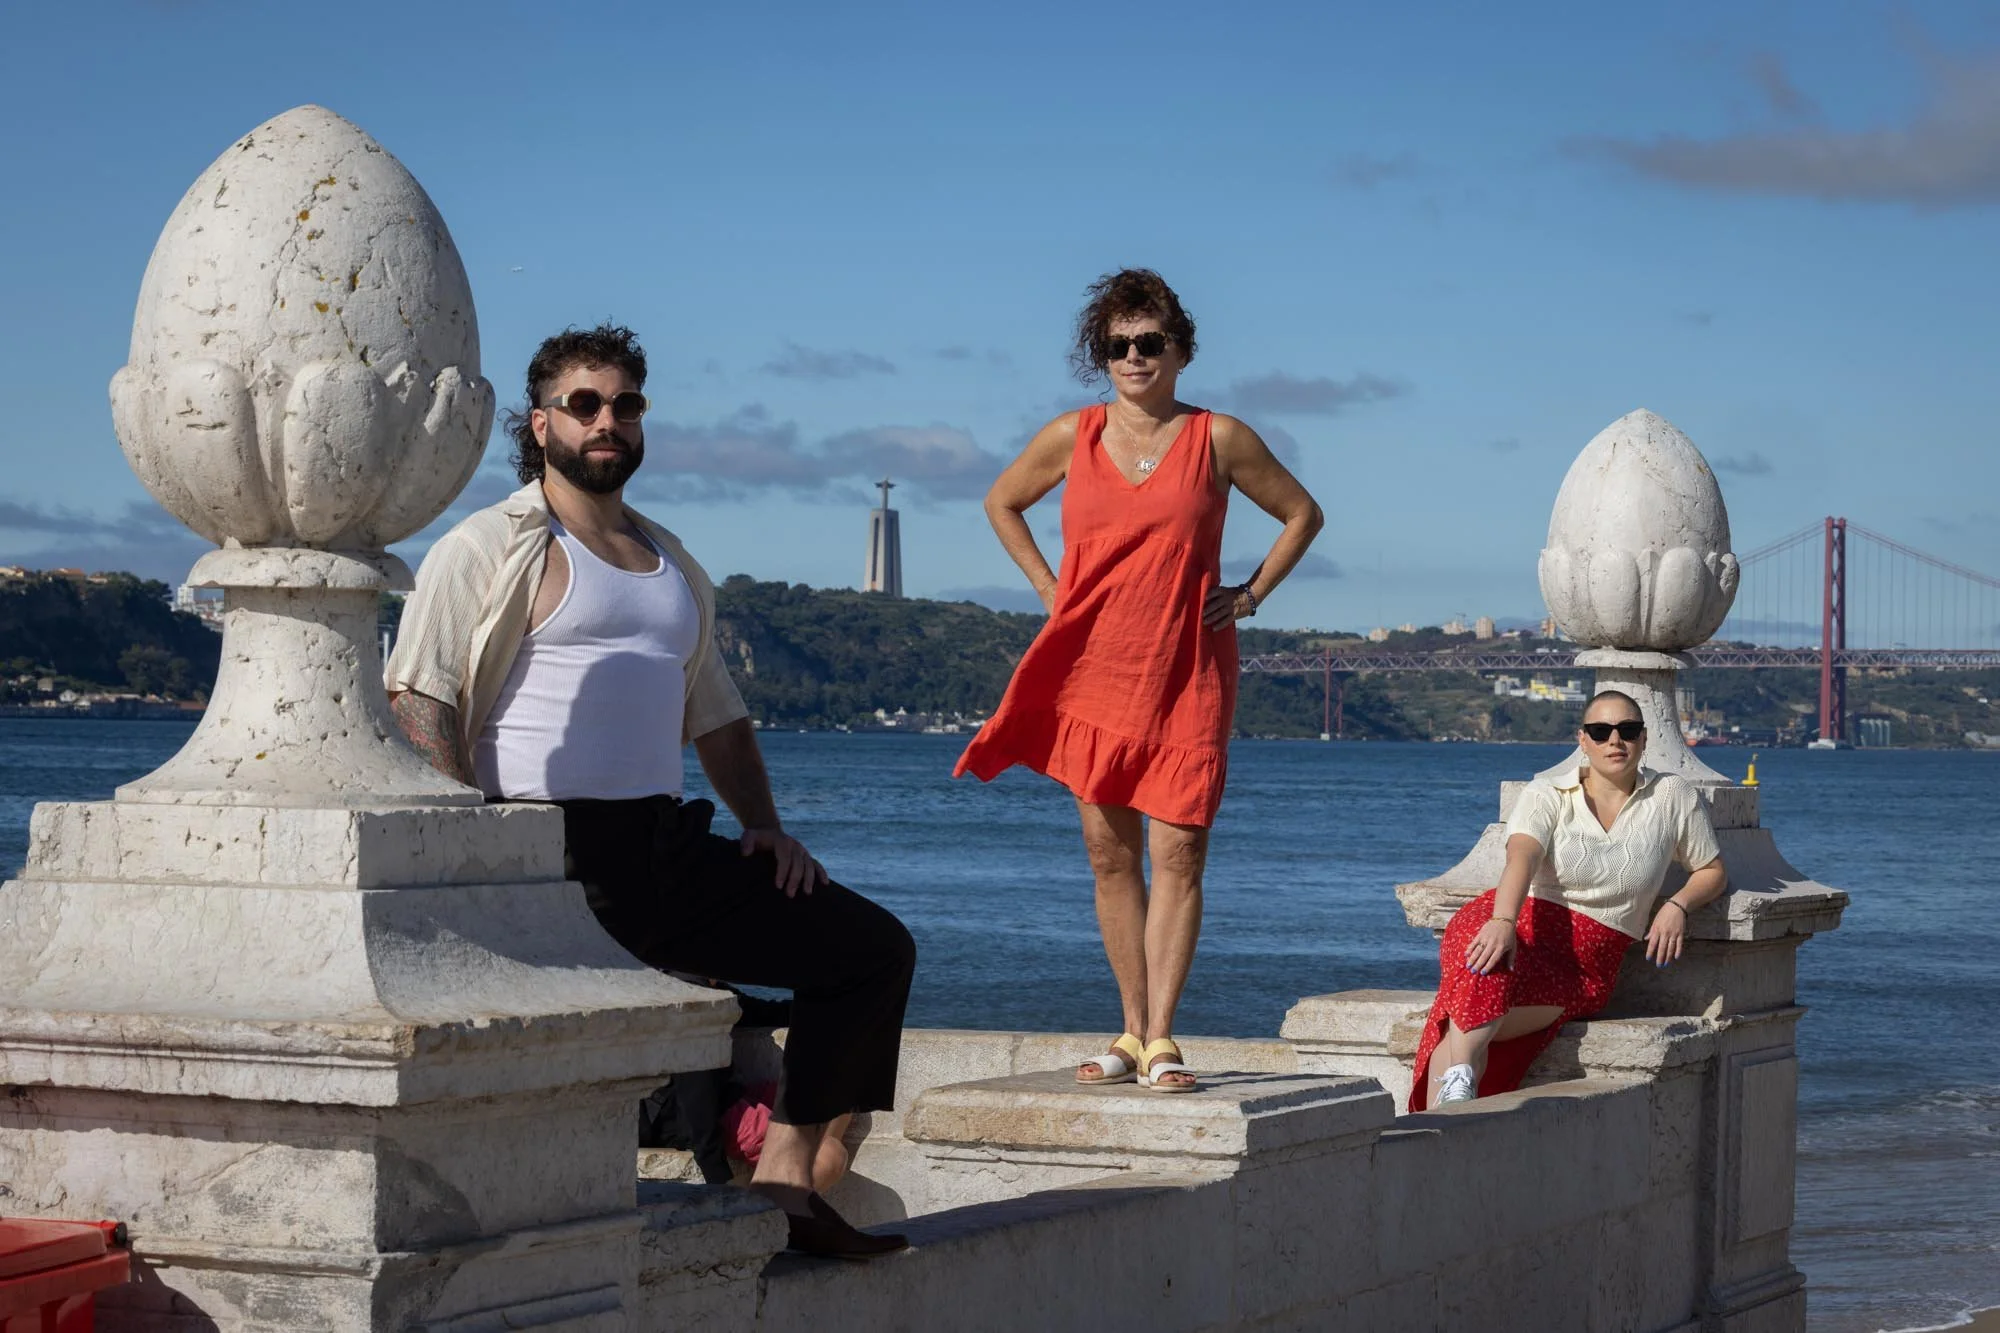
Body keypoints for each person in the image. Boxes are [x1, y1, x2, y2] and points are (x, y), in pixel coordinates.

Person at [386, 323, 914, 1259]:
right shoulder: (487, 546)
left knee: (868, 949)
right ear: (540, 421)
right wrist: (465, 855)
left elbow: (718, 715)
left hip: (661, 847)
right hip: (540, 852)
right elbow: (419, 696)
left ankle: (787, 1187)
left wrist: (768, 829)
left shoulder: (671, 562)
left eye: (626, 404)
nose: (607, 420)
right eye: (585, 404)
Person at [954, 269, 1324, 1094]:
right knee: (1107, 853)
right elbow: (1001, 501)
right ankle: (1129, 1025)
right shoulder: (1072, 435)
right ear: (1102, 355)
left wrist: (1252, 593)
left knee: (1180, 849)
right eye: (1117, 345)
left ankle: (1162, 1036)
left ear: (1181, 350)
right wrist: (1054, 594)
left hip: (1187, 666)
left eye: (1150, 342)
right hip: (1094, 667)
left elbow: (1303, 513)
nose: (1133, 356)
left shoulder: (1218, 438)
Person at [1409, 690, 1728, 1110]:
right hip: (1517, 920)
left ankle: (1445, 1105)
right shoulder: (1548, 793)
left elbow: (1712, 870)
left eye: (1628, 731)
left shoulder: (1673, 796)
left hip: (1585, 962)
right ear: (1583, 740)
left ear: (1644, 738)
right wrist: (1503, 921)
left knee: (1468, 1003)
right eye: (1601, 731)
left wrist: (1677, 904)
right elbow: (1522, 854)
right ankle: (1460, 1081)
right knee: (1485, 958)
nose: (1615, 741)